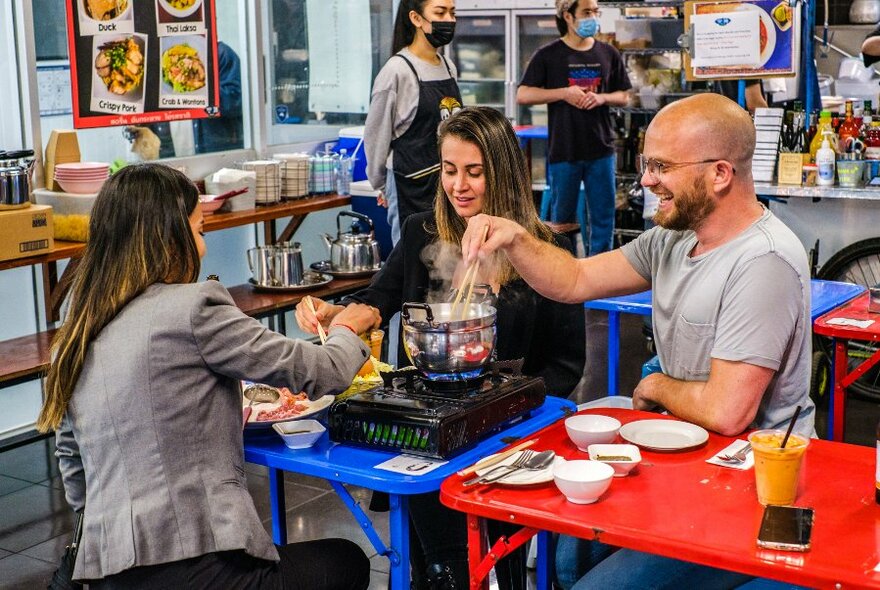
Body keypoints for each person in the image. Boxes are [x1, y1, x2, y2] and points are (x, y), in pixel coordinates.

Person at [460, 93, 815, 589]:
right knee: (568, 562)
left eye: (661, 166)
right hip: (682, 463)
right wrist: (516, 238)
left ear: (719, 174)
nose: (646, 180)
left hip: (746, 489)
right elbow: (575, 279)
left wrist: (653, 387)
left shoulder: (763, 262)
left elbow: (728, 412)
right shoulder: (674, 237)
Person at [38, 163, 380, 589]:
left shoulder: (78, 330)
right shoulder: (192, 307)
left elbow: (71, 459)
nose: (202, 248)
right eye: (199, 232)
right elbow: (319, 371)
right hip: (195, 570)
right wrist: (349, 327)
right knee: (345, 561)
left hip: (107, 571)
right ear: (169, 237)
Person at [295, 107, 586, 590]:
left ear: (504, 174)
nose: (459, 186)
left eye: (475, 172)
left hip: (509, 432)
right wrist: (338, 313)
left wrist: (511, 406)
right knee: (437, 564)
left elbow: (566, 364)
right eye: (450, 171)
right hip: (428, 423)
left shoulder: (543, 251)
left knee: (500, 560)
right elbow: (379, 298)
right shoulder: (419, 232)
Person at [517, 0, 631, 257]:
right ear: (568, 16)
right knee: (561, 220)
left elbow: (624, 96)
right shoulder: (548, 55)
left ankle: (600, 273)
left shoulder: (608, 53)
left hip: (601, 149)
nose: (593, 17)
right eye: (586, 12)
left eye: (595, 12)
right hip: (564, 151)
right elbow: (523, 94)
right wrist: (563, 93)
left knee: (603, 218)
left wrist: (602, 98)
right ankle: (562, 270)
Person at [363, 0, 462, 245]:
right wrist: (382, 185)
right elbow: (376, 136)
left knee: (447, 263)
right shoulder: (397, 71)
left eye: (452, 13)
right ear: (416, 19)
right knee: (412, 263)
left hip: (447, 185)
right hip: (411, 188)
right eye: (440, 12)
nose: (449, 20)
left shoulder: (448, 67)